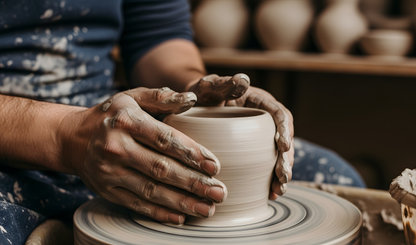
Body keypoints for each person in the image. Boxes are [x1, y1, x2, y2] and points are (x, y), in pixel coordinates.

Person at [0, 0, 365, 244]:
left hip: (109, 121)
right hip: (15, 136)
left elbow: (158, 35)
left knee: (338, 183)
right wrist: (64, 137)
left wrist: (193, 89)